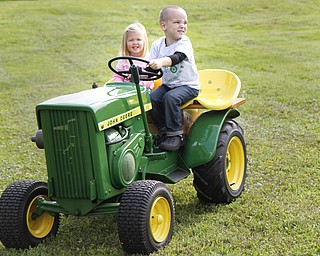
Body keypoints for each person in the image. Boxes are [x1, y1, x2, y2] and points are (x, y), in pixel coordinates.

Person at [148, 6, 200, 151]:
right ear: (163, 25)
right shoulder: (158, 44)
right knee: (152, 98)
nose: (182, 26)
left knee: (171, 98)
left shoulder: (184, 42)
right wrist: (137, 72)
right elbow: (149, 66)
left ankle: (176, 135)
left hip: (188, 86)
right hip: (169, 84)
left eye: (185, 22)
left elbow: (177, 58)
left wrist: (161, 62)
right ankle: (164, 131)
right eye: (177, 22)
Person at [113, 22, 154, 91]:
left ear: (144, 41)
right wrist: (119, 85)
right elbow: (118, 76)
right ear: (125, 43)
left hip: (144, 90)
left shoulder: (148, 59)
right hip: (125, 90)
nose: (135, 42)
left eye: (138, 39)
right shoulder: (123, 60)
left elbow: (151, 79)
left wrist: (141, 85)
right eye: (131, 40)